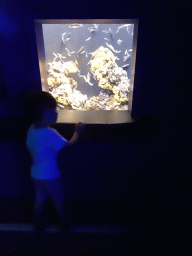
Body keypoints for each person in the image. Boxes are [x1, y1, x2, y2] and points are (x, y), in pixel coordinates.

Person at [23, 90, 85, 233]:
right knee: (58, 199)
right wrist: (78, 131)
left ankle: (37, 222)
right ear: (41, 115)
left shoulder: (31, 129)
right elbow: (69, 144)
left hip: (35, 174)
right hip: (50, 176)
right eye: (52, 111)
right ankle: (63, 222)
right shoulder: (50, 133)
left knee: (40, 198)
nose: (56, 113)